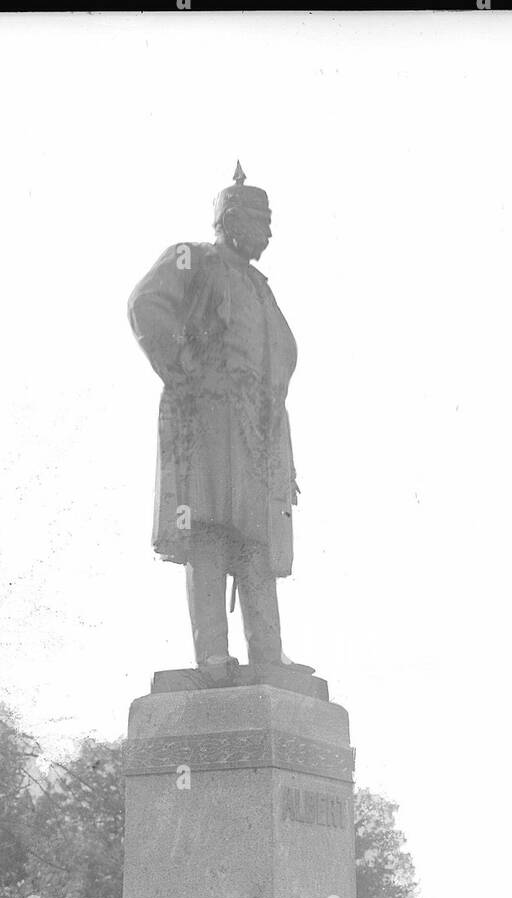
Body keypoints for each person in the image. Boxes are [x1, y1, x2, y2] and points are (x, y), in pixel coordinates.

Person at [128, 163, 309, 685]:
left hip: (257, 429)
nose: (269, 232)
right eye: (261, 219)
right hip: (208, 421)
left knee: (254, 537)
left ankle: (267, 655)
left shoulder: (258, 285)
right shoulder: (195, 258)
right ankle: (212, 656)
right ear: (231, 218)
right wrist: (185, 367)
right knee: (207, 527)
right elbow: (146, 303)